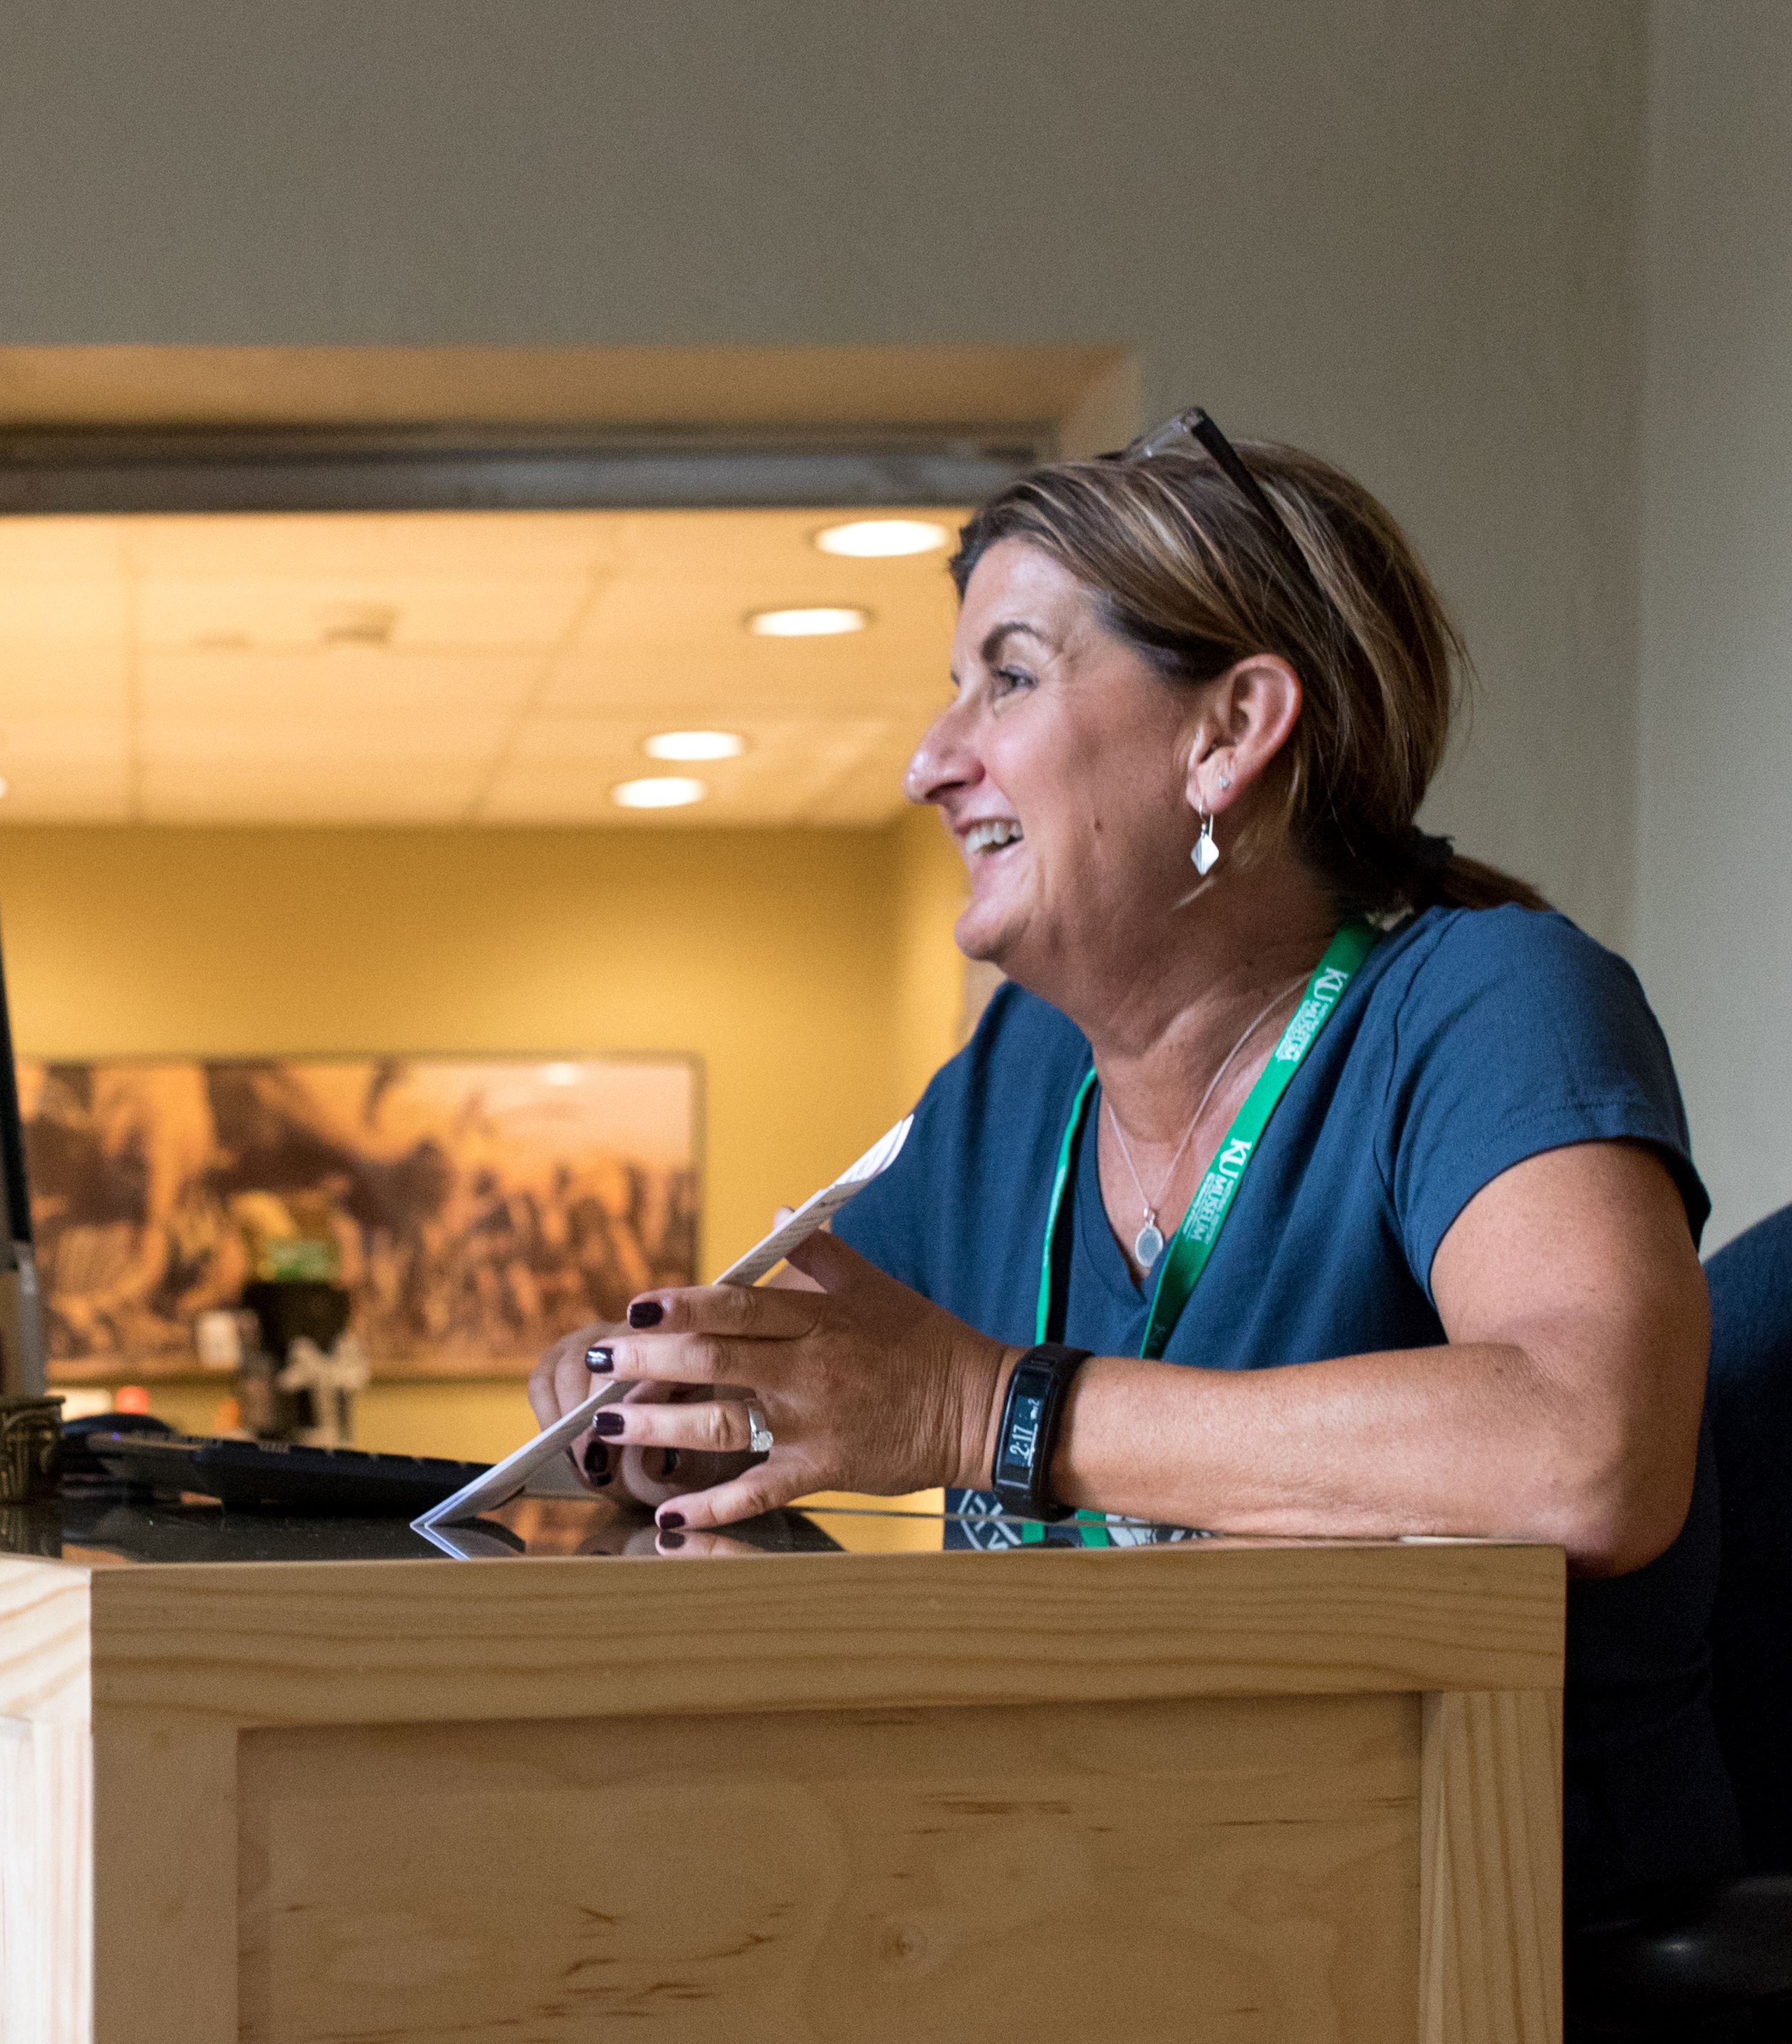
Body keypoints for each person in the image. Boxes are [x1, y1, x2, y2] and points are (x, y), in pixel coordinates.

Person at [530, 412, 1731, 1929]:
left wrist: (984, 1411)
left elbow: (1589, 1452)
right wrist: (659, 1389)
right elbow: (834, 1367)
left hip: (1460, 1928)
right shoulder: (1014, 1078)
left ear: (1227, 730)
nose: (927, 761)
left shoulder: (1488, 1001)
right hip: (1094, 1893)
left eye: (1008, 678)